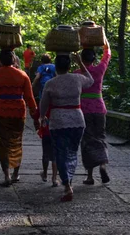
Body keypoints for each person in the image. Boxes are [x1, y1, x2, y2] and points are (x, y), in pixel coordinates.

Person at [40, 53, 93, 202]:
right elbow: (91, 80)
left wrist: (42, 116)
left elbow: (43, 104)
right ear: (70, 66)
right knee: (72, 153)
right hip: (77, 120)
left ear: (55, 67)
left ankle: (67, 185)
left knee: (60, 154)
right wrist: (81, 63)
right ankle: (68, 181)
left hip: (58, 122)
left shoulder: (51, 83)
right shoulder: (77, 79)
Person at [0, 49, 38, 187]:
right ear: (14, 60)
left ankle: (6, 175)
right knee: (16, 142)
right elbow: (29, 98)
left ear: (1, 60)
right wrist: (35, 114)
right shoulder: (22, 75)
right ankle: (15, 173)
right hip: (17, 112)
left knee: (2, 144)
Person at [75, 40, 112, 185]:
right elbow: (107, 54)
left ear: (81, 59)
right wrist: (104, 41)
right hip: (99, 108)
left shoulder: (77, 73)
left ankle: (89, 176)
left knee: (87, 140)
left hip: (84, 109)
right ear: (93, 59)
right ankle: (102, 164)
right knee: (100, 137)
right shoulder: (99, 70)